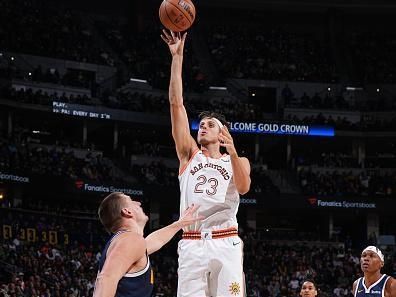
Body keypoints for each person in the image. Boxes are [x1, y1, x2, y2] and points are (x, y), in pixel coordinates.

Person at [161, 30, 251, 297]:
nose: (203, 127)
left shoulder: (238, 160)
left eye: (211, 125)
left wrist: (233, 153)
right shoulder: (189, 154)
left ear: (223, 133)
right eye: (201, 124)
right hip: (192, 242)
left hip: (225, 241)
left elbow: (244, 188)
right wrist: (177, 58)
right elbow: (176, 104)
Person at [93, 192, 203, 297]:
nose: (139, 203)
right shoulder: (129, 239)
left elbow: (155, 241)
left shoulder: (128, 242)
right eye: (132, 201)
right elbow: (105, 279)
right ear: (127, 211)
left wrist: (180, 223)